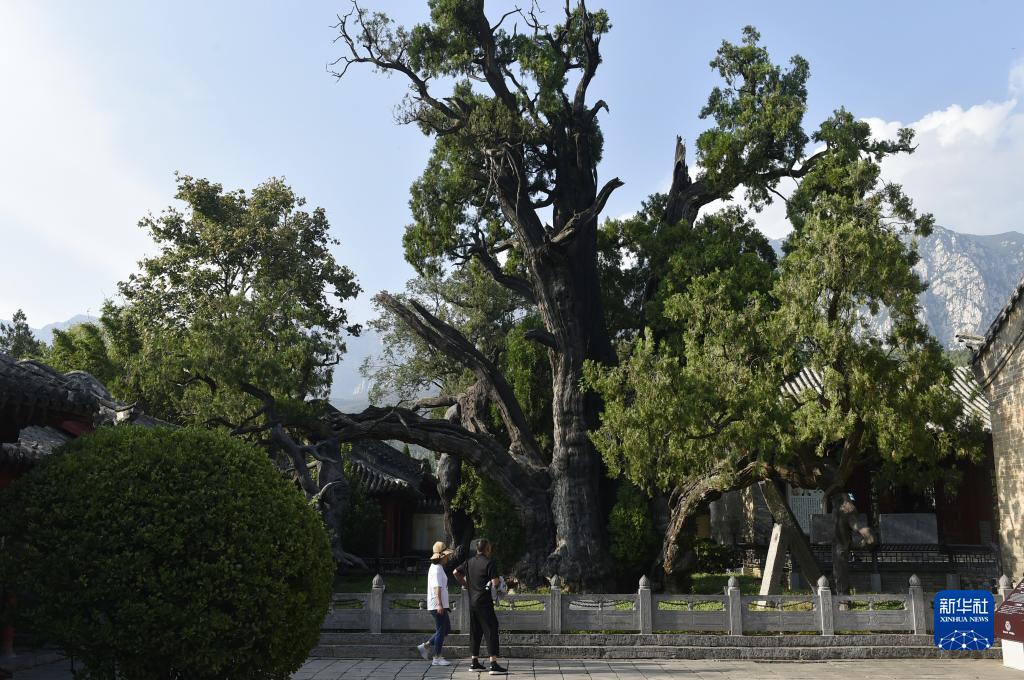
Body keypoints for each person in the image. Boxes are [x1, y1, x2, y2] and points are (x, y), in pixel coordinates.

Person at [453, 538, 506, 675]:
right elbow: (495, 582)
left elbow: (455, 572)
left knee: (475, 632)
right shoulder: (489, 563)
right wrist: (500, 580)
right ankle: (493, 664)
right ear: (487, 549)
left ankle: (474, 662)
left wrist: (467, 585)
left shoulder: (469, 562)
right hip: (484, 602)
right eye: (490, 548)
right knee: (491, 629)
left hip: (472, 602)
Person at [418, 541, 455, 666]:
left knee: (446, 629)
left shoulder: (436, 568)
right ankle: (437, 657)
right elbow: (437, 587)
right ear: (442, 556)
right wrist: (439, 604)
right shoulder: (437, 569)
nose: (448, 557)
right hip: (437, 605)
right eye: (446, 555)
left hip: (440, 604)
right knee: (441, 630)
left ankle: (426, 646)